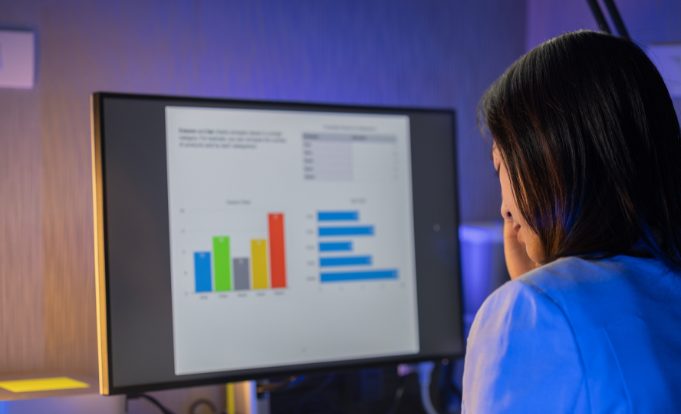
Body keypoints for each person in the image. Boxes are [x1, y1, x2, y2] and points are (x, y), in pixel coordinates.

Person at [462, 30, 681, 413]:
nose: (504, 210)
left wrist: (534, 291)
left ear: (548, 165)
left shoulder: (531, 312)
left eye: (499, 164)